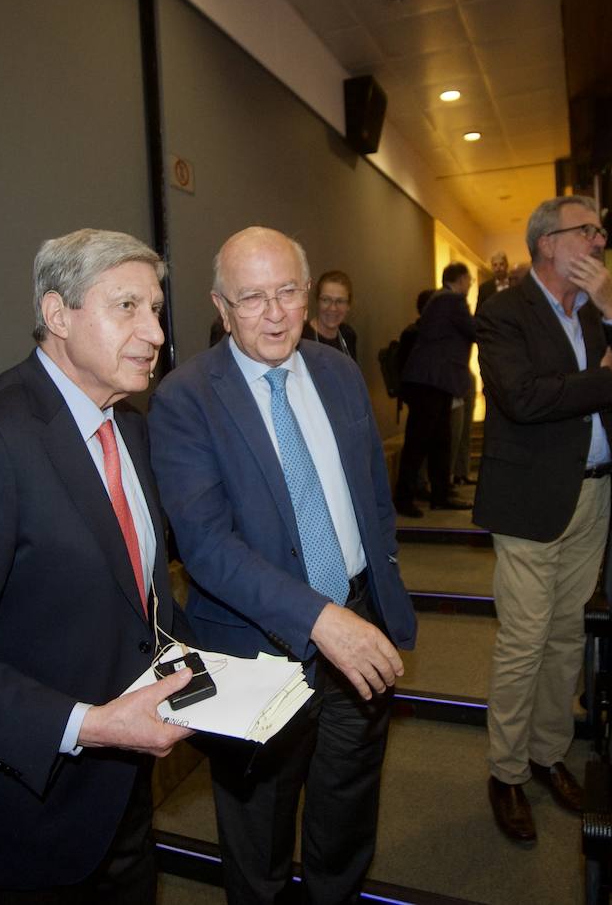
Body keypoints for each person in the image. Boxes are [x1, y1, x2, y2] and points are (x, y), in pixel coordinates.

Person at [0, 229, 196, 901]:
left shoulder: (131, 428)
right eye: (128, 307)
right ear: (58, 316)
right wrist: (91, 724)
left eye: (157, 309)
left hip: (122, 797)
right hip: (18, 815)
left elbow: (132, 598)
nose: (156, 332)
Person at [148, 226, 416, 905]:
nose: (274, 313)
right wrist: (318, 619)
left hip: (359, 624)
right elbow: (206, 547)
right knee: (259, 834)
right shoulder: (186, 398)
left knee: (347, 810)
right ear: (220, 305)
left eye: (288, 292)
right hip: (256, 648)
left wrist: (372, 599)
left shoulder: (338, 371)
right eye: (252, 298)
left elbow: (372, 501)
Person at [473, 195, 612, 845]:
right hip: (530, 498)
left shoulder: (602, 313)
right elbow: (524, 399)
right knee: (524, 640)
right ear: (549, 242)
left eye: (602, 230)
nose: (601, 241)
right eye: (589, 230)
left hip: (596, 495)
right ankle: (506, 771)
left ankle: (548, 754)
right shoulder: (502, 312)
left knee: (564, 636)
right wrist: (598, 380)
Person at [394, 262, 477, 516]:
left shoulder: (439, 299)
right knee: (419, 441)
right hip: (430, 381)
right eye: (469, 281)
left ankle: (440, 493)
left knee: (440, 439)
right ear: (461, 279)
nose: (470, 286)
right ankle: (403, 497)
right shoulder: (452, 300)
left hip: (432, 381)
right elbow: (475, 330)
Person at [302, 268, 358, 360]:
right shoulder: (302, 338)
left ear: (348, 305)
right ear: (317, 301)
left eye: (340, 301)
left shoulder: (348, 334)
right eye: (326, 300)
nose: (333, 308)